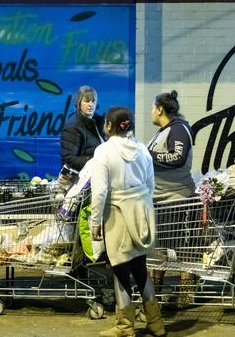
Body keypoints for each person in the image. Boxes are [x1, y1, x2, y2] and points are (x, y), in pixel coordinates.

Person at [91, 107, 166, 337]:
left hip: (117, 215)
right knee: (140, 268)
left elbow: (100, 191)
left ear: (109, 126)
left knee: (120, 271)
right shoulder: (143, 150)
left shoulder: (103, 152)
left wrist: (95, 221)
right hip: (141, 213)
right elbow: (151, 185)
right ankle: (156, 323)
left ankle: (125, 326)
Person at [147, 90, 196, 306]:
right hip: (160, 200)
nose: (151, 112)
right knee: (157, 249)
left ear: (160, 109)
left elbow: (177, 157)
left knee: (180, 248)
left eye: (152, 107)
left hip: (176, 199)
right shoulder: (163, 131)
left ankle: (187, 293)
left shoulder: (178, 129)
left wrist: (147, 155)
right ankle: (154, 295)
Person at [60, 85, 105, 173]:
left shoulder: (100, 122)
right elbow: (69, 159)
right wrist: (98, 161)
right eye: (87, 101)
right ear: (79, 103)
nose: (91, 104)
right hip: (82, 179)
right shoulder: (72, 126)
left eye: (93, 101)